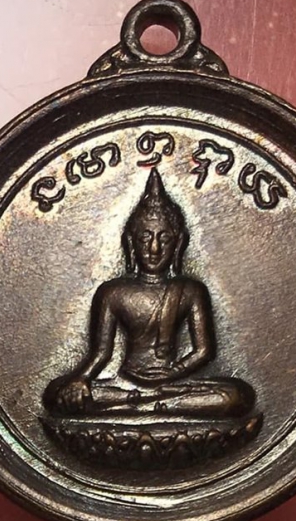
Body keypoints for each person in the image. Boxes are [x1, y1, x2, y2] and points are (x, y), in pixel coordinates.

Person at [43, 168, 255, 418]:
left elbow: (204, 351)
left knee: (237, 396)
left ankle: (144, 405)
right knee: (55, 394)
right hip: (125, 383)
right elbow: (101, 353)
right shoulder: (113, 292)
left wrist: (174, 372)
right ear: (131, 243)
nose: (154, 248)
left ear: (178, 243)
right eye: (145, 238)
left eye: (164, 239)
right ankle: (150, 403)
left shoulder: (190, 290)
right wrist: (82, 378)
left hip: (173, 383)